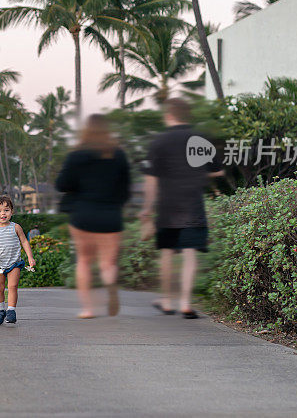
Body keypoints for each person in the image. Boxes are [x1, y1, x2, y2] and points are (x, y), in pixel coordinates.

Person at [140, 98, 224, 319]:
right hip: (192, 204)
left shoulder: (159, 141)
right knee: (189, 254)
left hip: (167, 206)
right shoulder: (198, 139)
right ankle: (186, 303)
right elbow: (218, 171)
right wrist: (198, 174)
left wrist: (147, 209)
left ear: (168, 115)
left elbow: (150, 180)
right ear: (188, 115)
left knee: (167, 252)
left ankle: (167, 301)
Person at [56, 114, 130, 319]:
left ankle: (88, 309)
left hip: (83, 215)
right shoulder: (118, 154)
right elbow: (126, 189)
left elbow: (62, 184)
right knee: (108, 263)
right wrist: (116, 205)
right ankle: (110, 283)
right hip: (111, 216)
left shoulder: (77, 155)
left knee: (84, 261)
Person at [0, 195, 35, 325]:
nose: (3, 213)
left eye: (6, 210)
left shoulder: (16, 227)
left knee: (12, 286)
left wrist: (30, 257)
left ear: (11, 212)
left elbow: (24, 242)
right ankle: (0, 310)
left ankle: (11, 310)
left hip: (14, 263)